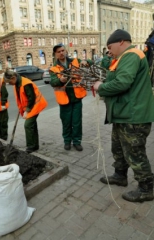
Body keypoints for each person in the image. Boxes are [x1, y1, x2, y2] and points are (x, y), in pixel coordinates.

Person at [93, 29, 154, 202]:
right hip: (123, 114)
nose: (109, 51)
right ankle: (120, 175)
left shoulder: (131, 55)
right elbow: (118, 80)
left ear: (121, 42)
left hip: (133, 116)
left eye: (110, 46)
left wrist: (101, 87)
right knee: (118, 148)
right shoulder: (122, 58)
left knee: (134, 153)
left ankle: (146, 188)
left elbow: (122, 82)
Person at [49, 43, 90, 151]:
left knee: (77, 122)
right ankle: (67, 141)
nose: (61, 53)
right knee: (66, 122)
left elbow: (89, 63)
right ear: (55, 54)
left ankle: (77, 141)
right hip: (64, 100)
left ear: (66, 51)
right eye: (59, 52)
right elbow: (53, 82)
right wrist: (60, 80)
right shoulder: (54, 68)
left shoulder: (75, 61)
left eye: (62, 50)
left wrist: (87, 62)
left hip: (76, 98)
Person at [3, 69, 48, 153]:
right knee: (32, 125)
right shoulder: (17, 84)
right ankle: (35, 145)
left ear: (13, 78)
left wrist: (27, 111)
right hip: (30, 106)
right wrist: (22, 108)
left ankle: (30, 146)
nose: (9, 84)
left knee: (28, 125)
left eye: (9, 82)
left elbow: (31, 99)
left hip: (35, 105)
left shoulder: (26, 83)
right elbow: (22, 97)